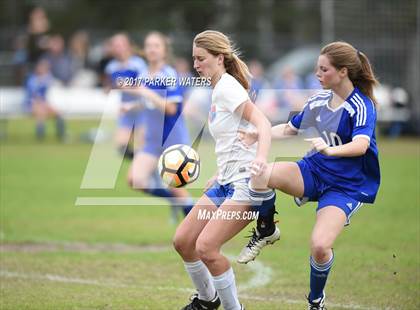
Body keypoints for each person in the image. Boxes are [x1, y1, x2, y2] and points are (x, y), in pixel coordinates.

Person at [239, 41, 381, 309]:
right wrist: (258, 132)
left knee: (319, 246)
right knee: (259, 173)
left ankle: (315, 302)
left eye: (323, 69)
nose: (317, 74)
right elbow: (291, 129)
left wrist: (330, 149)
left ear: (343, 72)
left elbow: (361, 145)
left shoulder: (362, 106)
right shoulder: (318, 100)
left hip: (346, 187)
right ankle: (266, 229)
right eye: (317, 68)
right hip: (313, 171)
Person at [173, 30, 280, 310]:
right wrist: (221, 173)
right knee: (184, 241)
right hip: (226, 182)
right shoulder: (217, 88)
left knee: (206, 248)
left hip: (245, 185)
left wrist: (261, 158)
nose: (196, 65)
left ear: (219, 58)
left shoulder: (228, 87)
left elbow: (263, 124)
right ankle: (208, 301)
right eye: (194, 59)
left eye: (201, 58)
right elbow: (233, 137)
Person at [125, 31, 193, 220]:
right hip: (153, 142)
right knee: (135, 180)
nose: (152, 49)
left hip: (173, 141)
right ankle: (181, 204)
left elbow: (171, 108)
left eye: (156, 46)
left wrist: (145, 93)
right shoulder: (143, 74)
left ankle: (196, 224)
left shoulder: (169, 74)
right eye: (149, 45)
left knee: (178, 190)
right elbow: (149, 103)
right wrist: (131, 105)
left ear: (164, 51)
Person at [104, 33, 147, 159]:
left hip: (140, 108)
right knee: (121, 148)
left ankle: (143, 170)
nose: (118, 48)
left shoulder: (138, 64)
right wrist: (109, 88)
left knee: (142, 148)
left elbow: (143, 87)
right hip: (125, 111)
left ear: (128, 46)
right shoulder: (111, 66)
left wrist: (124, 85)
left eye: (121, 45)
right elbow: (109, 86)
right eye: (115, 45)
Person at [24, 58, 66, 141]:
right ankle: (40, 137)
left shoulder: (46, 78)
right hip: (32, 103)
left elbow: (55, 83)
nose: (43, 69)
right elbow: (33, 95)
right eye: (42, 67)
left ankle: (61, 135)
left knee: (58, 113)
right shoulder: (32, 79)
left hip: (43, 103)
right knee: (40, 114)